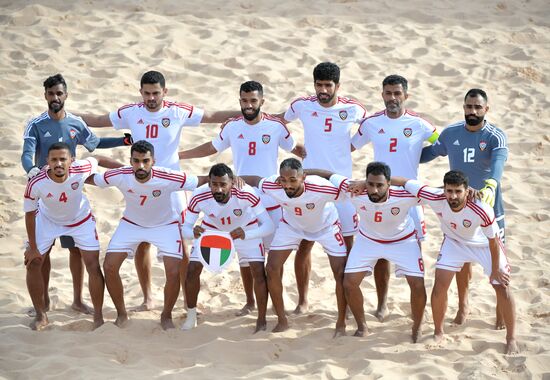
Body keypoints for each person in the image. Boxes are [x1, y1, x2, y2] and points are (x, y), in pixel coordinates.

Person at [79, 70, 238, 310]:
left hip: (173, 185)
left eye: (155, 93)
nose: (151, 98)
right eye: (146, 93)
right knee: (143, 241)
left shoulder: (177, 110)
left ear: (165, 91)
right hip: (141, 180)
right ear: (140, 92)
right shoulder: (131, 111)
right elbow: (98, 120)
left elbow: (212, 115)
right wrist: (63, 113)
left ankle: (187, 299)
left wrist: (242, 114)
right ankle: (147, 298)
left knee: (182, 240)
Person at [179, 80, 304, 316]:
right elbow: (211, 148)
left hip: (272, 200)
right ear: (240, 101)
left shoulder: (277, 126)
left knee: (275, 259)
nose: (249, 105)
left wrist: (314, 170)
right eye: (245, 101)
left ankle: (280, 302)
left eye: (253, 101)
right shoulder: (232, 126)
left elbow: (296, 150)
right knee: (248, 258)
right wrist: (180, 155)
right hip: (243, 199)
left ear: (262, 102)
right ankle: (250, 302)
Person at [21, 73, 132, 315]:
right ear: (45, 96)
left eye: (59, 93)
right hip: (45, 190)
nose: (55, 98)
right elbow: (26, 153)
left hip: (71, 187)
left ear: (66, 95)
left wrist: (123, 141)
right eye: (51, 94)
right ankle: (44, 301)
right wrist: (31, 171)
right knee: (43, 252)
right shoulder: (36, 124)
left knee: (74, 250)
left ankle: (77, 300)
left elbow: (96, 144)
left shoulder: (75, 123)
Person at [86, 140, 208, 329]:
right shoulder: (121, 175)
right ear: (130, 161)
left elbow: (201, 180)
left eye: (145, 161)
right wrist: (69, 172)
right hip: (132, 224)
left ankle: (166, 316)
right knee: (109, 266)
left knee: (174, 271)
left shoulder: (167, 176)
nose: (140, 166)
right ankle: (122, 314)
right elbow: (90, 179)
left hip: (165, 225)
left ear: (153, 161)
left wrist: (232, 177)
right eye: (136, 161)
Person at [392, 171, 517, 354]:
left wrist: (495, 270)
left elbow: (493, 241)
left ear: (467, 191)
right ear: (443, 189)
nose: (453, 196)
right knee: (440, 285)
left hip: (483, 245)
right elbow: (404, 181)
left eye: (458, 191)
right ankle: (438, 332)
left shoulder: (481, 208)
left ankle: (511, 338)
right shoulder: (435, 197)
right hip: (454, 243)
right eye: (449, 191)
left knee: (502, 286)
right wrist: (365, 182)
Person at [350, 74, 439, 321]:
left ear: (406, 96)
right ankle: (382, 304)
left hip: (410, 198)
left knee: (415, 251)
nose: (392, 98)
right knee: (380, 253)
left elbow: (439, 146)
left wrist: (418, 157)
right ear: (382, 95)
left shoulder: (420, 124)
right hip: (379, 195)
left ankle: (417, 308)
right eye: (388, 93)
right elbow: (349, 147)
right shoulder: (371, 123)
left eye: (397, 93)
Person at [281, 62, 367, 313]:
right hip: (309, 185)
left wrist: (343, 149)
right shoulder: (302, 105)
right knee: (305, 244)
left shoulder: (353, 108)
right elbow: (277, 122)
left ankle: (349, 301)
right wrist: (292, 146)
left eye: (328, 85)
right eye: (319, 85)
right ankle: (303, 300)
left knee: (347, 246)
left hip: (342, 189)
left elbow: (372, 127)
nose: (323, 90)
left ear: (337, 86)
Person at [308, 162, 426, 342]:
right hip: (368, 240)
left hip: (403, 241)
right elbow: (328, 174)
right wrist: (303, 172)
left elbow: (439, 192)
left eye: (380, 185)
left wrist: (469, 189)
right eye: (370, 184)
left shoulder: (404, 195)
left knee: (417, 284)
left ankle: (417, 327)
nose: (374, 190)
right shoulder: (355, 190)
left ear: (388, 184)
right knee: (349, 283)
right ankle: (362, 327)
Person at [420, 88, 508, 327]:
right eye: (469, 107)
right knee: (461, 262)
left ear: (486, 109)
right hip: (458, 207)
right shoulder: (451, 133)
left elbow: (499, 163)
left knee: (498, 265)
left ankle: (500, 316)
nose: (473, 111)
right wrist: (410, 146)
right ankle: (463, 306)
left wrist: (491, 185)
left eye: (478, 107)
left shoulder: (494, 136)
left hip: (488, 208)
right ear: (464, 107)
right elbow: (430, 153)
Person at [241, 158, 348, 335]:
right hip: (292, 226)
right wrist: (233, 178)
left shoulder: (321, 188)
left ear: (303, 178)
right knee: (272, 267)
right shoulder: (274, 185)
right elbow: (254, 179)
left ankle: (341, 323)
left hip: (326, 227)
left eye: (292, 180)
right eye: (283, 180)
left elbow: (348, 189)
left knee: (340, 272)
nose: (287, 185)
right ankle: (282, 321)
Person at [23, 142, 121, 330]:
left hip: (80, 221)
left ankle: (98, 317)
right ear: (47, 161)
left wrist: (126, 169)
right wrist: (33, 247)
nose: (58, 163)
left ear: (71, 161)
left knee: (93, 264)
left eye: (63, 159)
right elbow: (29, 214)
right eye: (54, 159)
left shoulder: (81, 168)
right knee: (33, 263)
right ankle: (40, 315)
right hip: (47, 220)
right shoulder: (36, 182)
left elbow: (99, 158)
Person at [181, 163, 275, 333]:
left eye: (223, 184)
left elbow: (268, 226)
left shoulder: (246, 193)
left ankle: (261, 319)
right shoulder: (199, 195)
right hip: (212, 233)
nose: (218, 189)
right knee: (192, 269)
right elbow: (185, 228)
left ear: (231, 183)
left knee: (258, 272)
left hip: (246, 230)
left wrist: (246, 234)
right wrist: (193, 232)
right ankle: (191, 316)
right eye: (214, 184)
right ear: (209, 183)